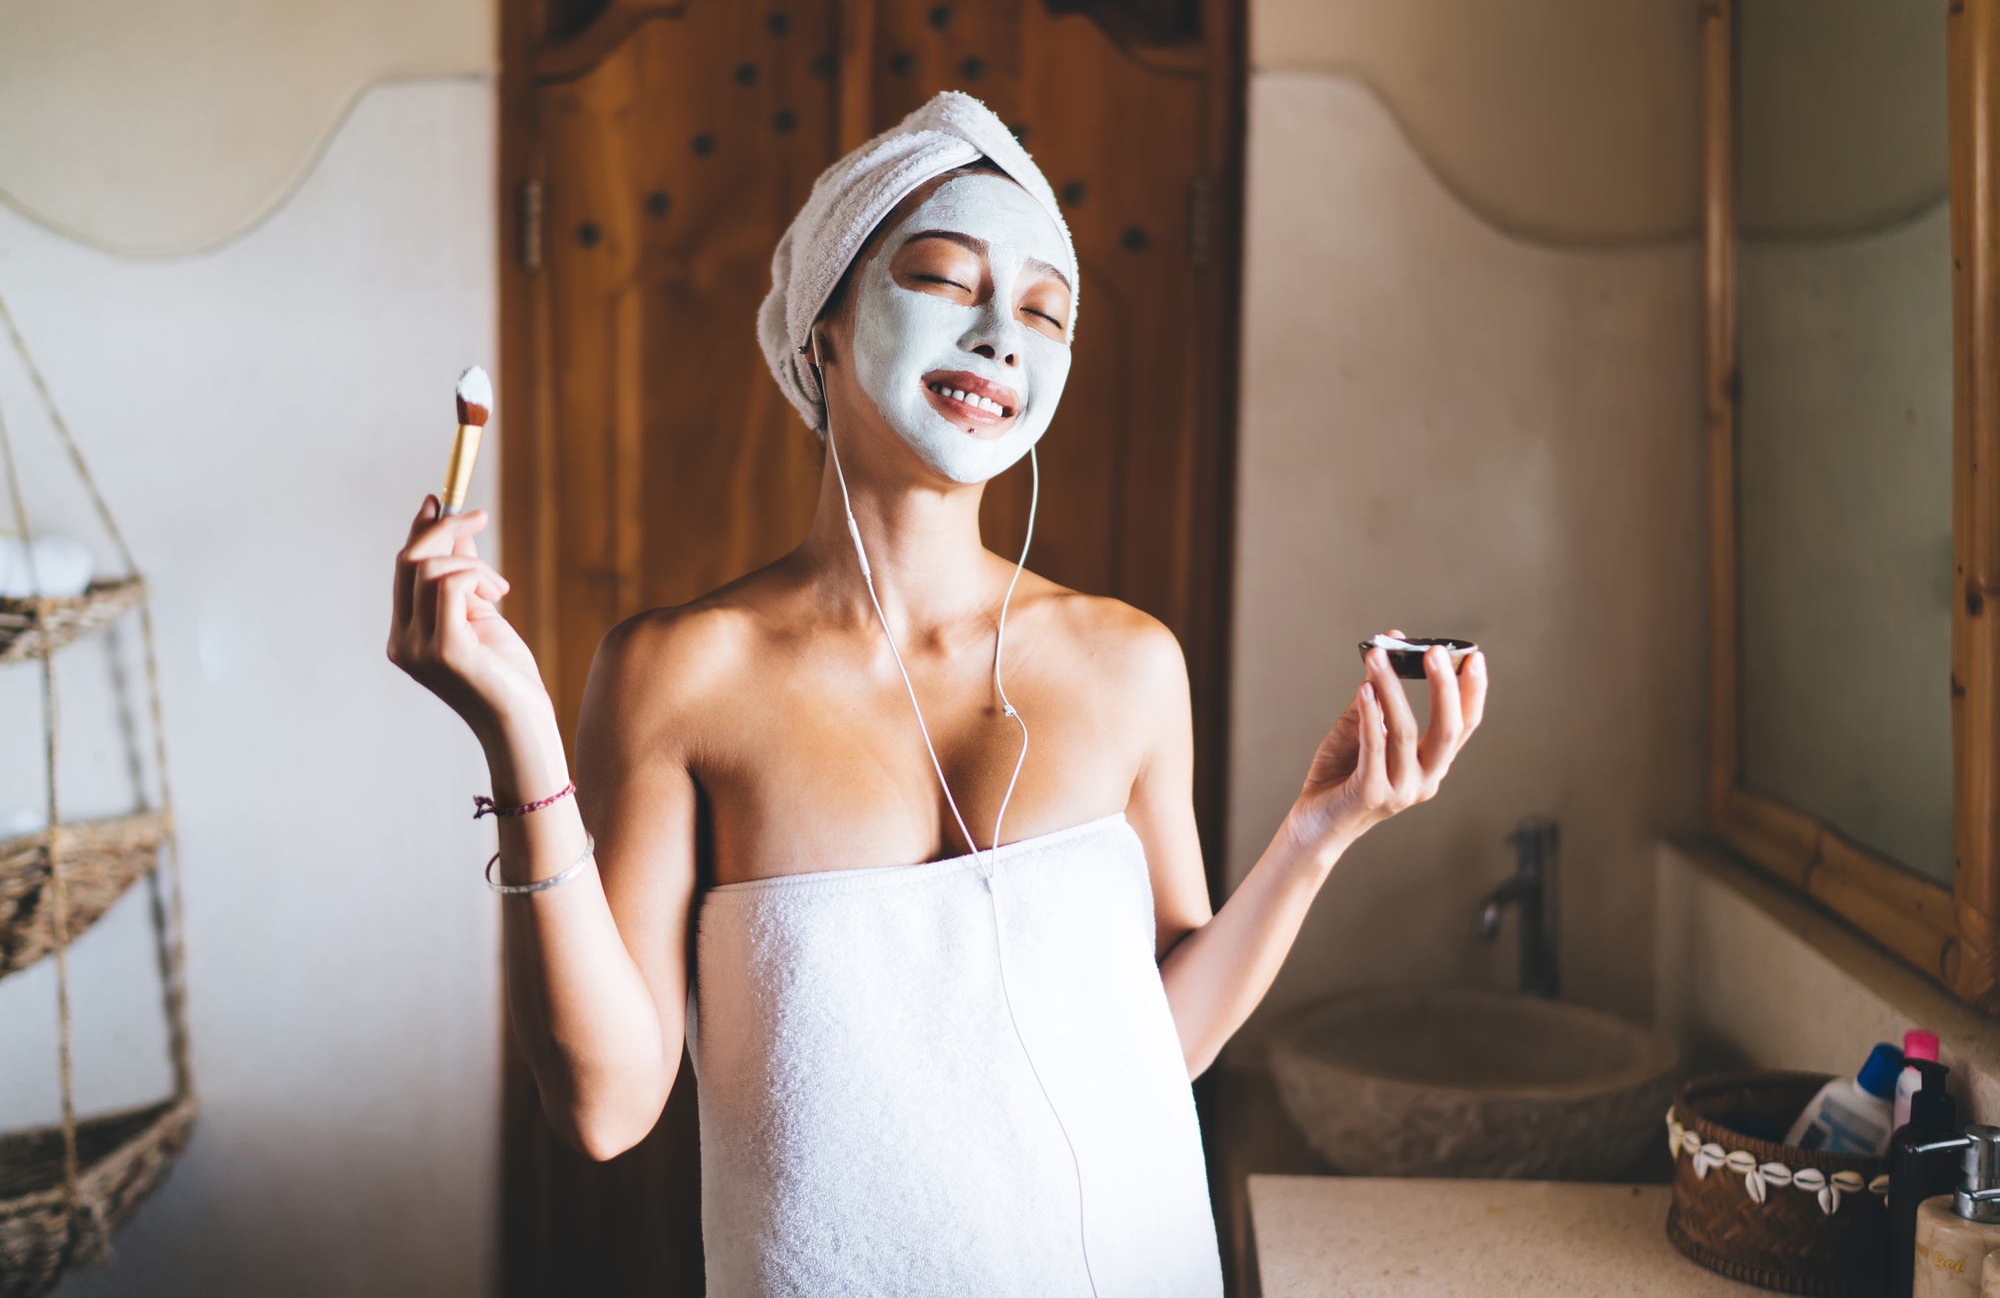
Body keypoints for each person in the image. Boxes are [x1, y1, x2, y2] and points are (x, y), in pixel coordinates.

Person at [387, 92, 1485, 1297]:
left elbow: (1148, 1048)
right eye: (946, 281)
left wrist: (1318, 834)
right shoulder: (679, 671)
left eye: (1042, 310)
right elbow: (605, 1105)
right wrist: (515, 730)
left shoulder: (1127, 662)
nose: (1000, 336)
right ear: (824, 325)